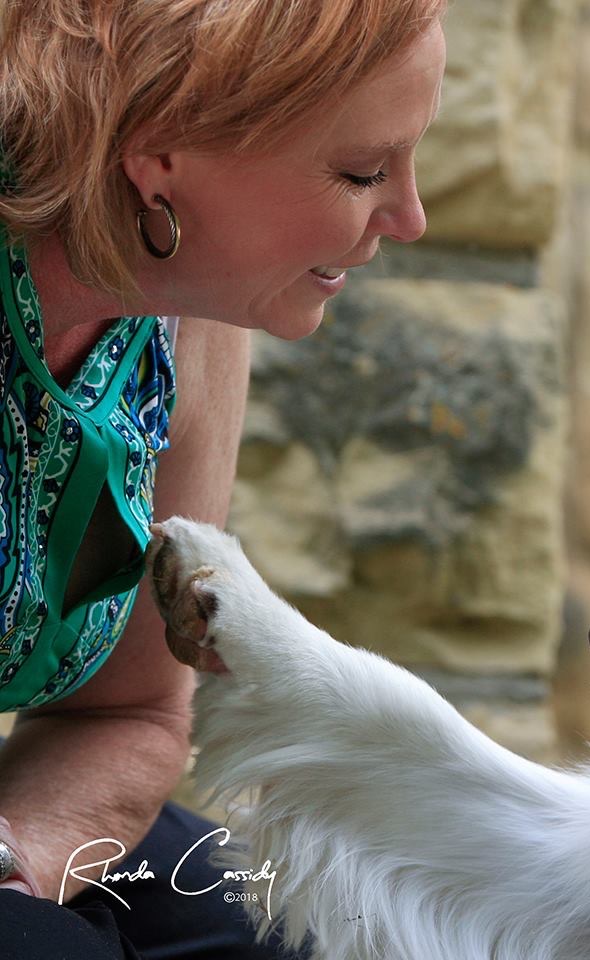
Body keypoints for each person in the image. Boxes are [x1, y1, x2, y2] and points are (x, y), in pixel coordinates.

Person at [0, 0, 447, 955]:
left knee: (299, 928)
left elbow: (130, 715)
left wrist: (23, 861)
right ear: (160, 158)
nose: (409, 218)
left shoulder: (187, 305)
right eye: (364, 171)